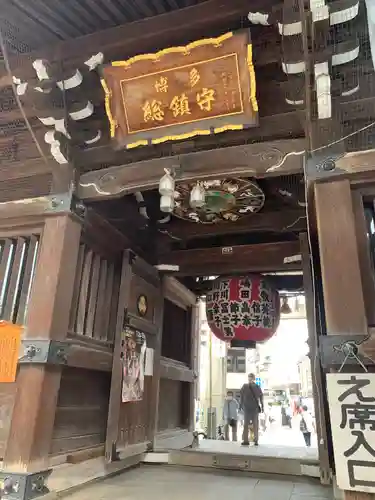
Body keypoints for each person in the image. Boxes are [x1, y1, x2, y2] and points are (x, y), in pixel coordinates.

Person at [240, 373, 264, 446]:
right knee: (250, 424)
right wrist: (262, 406)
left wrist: (262, 406)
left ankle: (252, 440)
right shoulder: (246, 386)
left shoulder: (255, 386)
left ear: (253, 379)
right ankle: (249, 440)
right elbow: (241, 397)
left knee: (252, 424)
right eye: (249, 378)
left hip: (252, 408)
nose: (250, 379)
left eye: (251, 378)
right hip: (249, 408)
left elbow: (261, 397)